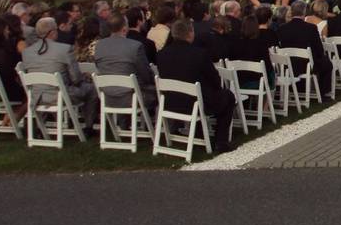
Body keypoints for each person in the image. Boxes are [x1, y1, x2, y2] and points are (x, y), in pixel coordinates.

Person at [156, 19, 235, 153]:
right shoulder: (199, 54)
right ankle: (221, 141)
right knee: (227, 96)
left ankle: (200, 134)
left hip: (170, 101)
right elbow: (215, 80)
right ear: (190, 33)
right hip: (195, 103)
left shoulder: (162, 54)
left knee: (206, 93)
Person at [22, 17, 99, 132]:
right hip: (60, 95)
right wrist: (84, 77)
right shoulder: (64, 49)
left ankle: (40, 127)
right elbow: (76, 78)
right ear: (52, 32)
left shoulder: (27, 52)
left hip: (36, 96)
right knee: (91, 89)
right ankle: (88, 126)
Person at [93, 13, 156, 110]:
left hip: (106, 97)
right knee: (157, 92)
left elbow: (99, 67)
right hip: (131, 98)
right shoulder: (135, 46)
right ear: (124, 28)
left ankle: (124, 124)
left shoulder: (99, 46)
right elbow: (146, 75)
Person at [277, 1, 333, 98]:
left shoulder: (282, 28)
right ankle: (323, 92)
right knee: (327, 63)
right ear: (304, 12)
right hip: (306, 65)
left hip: (287, 65)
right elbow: (319, 49)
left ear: (292, 12)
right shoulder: (311, 28)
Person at [230, 15, 276, 90]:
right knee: (271, 73)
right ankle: (266, 101)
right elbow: (268, 66)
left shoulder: (235, 44)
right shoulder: (261, 44)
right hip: (257, 80)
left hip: (238, 80)